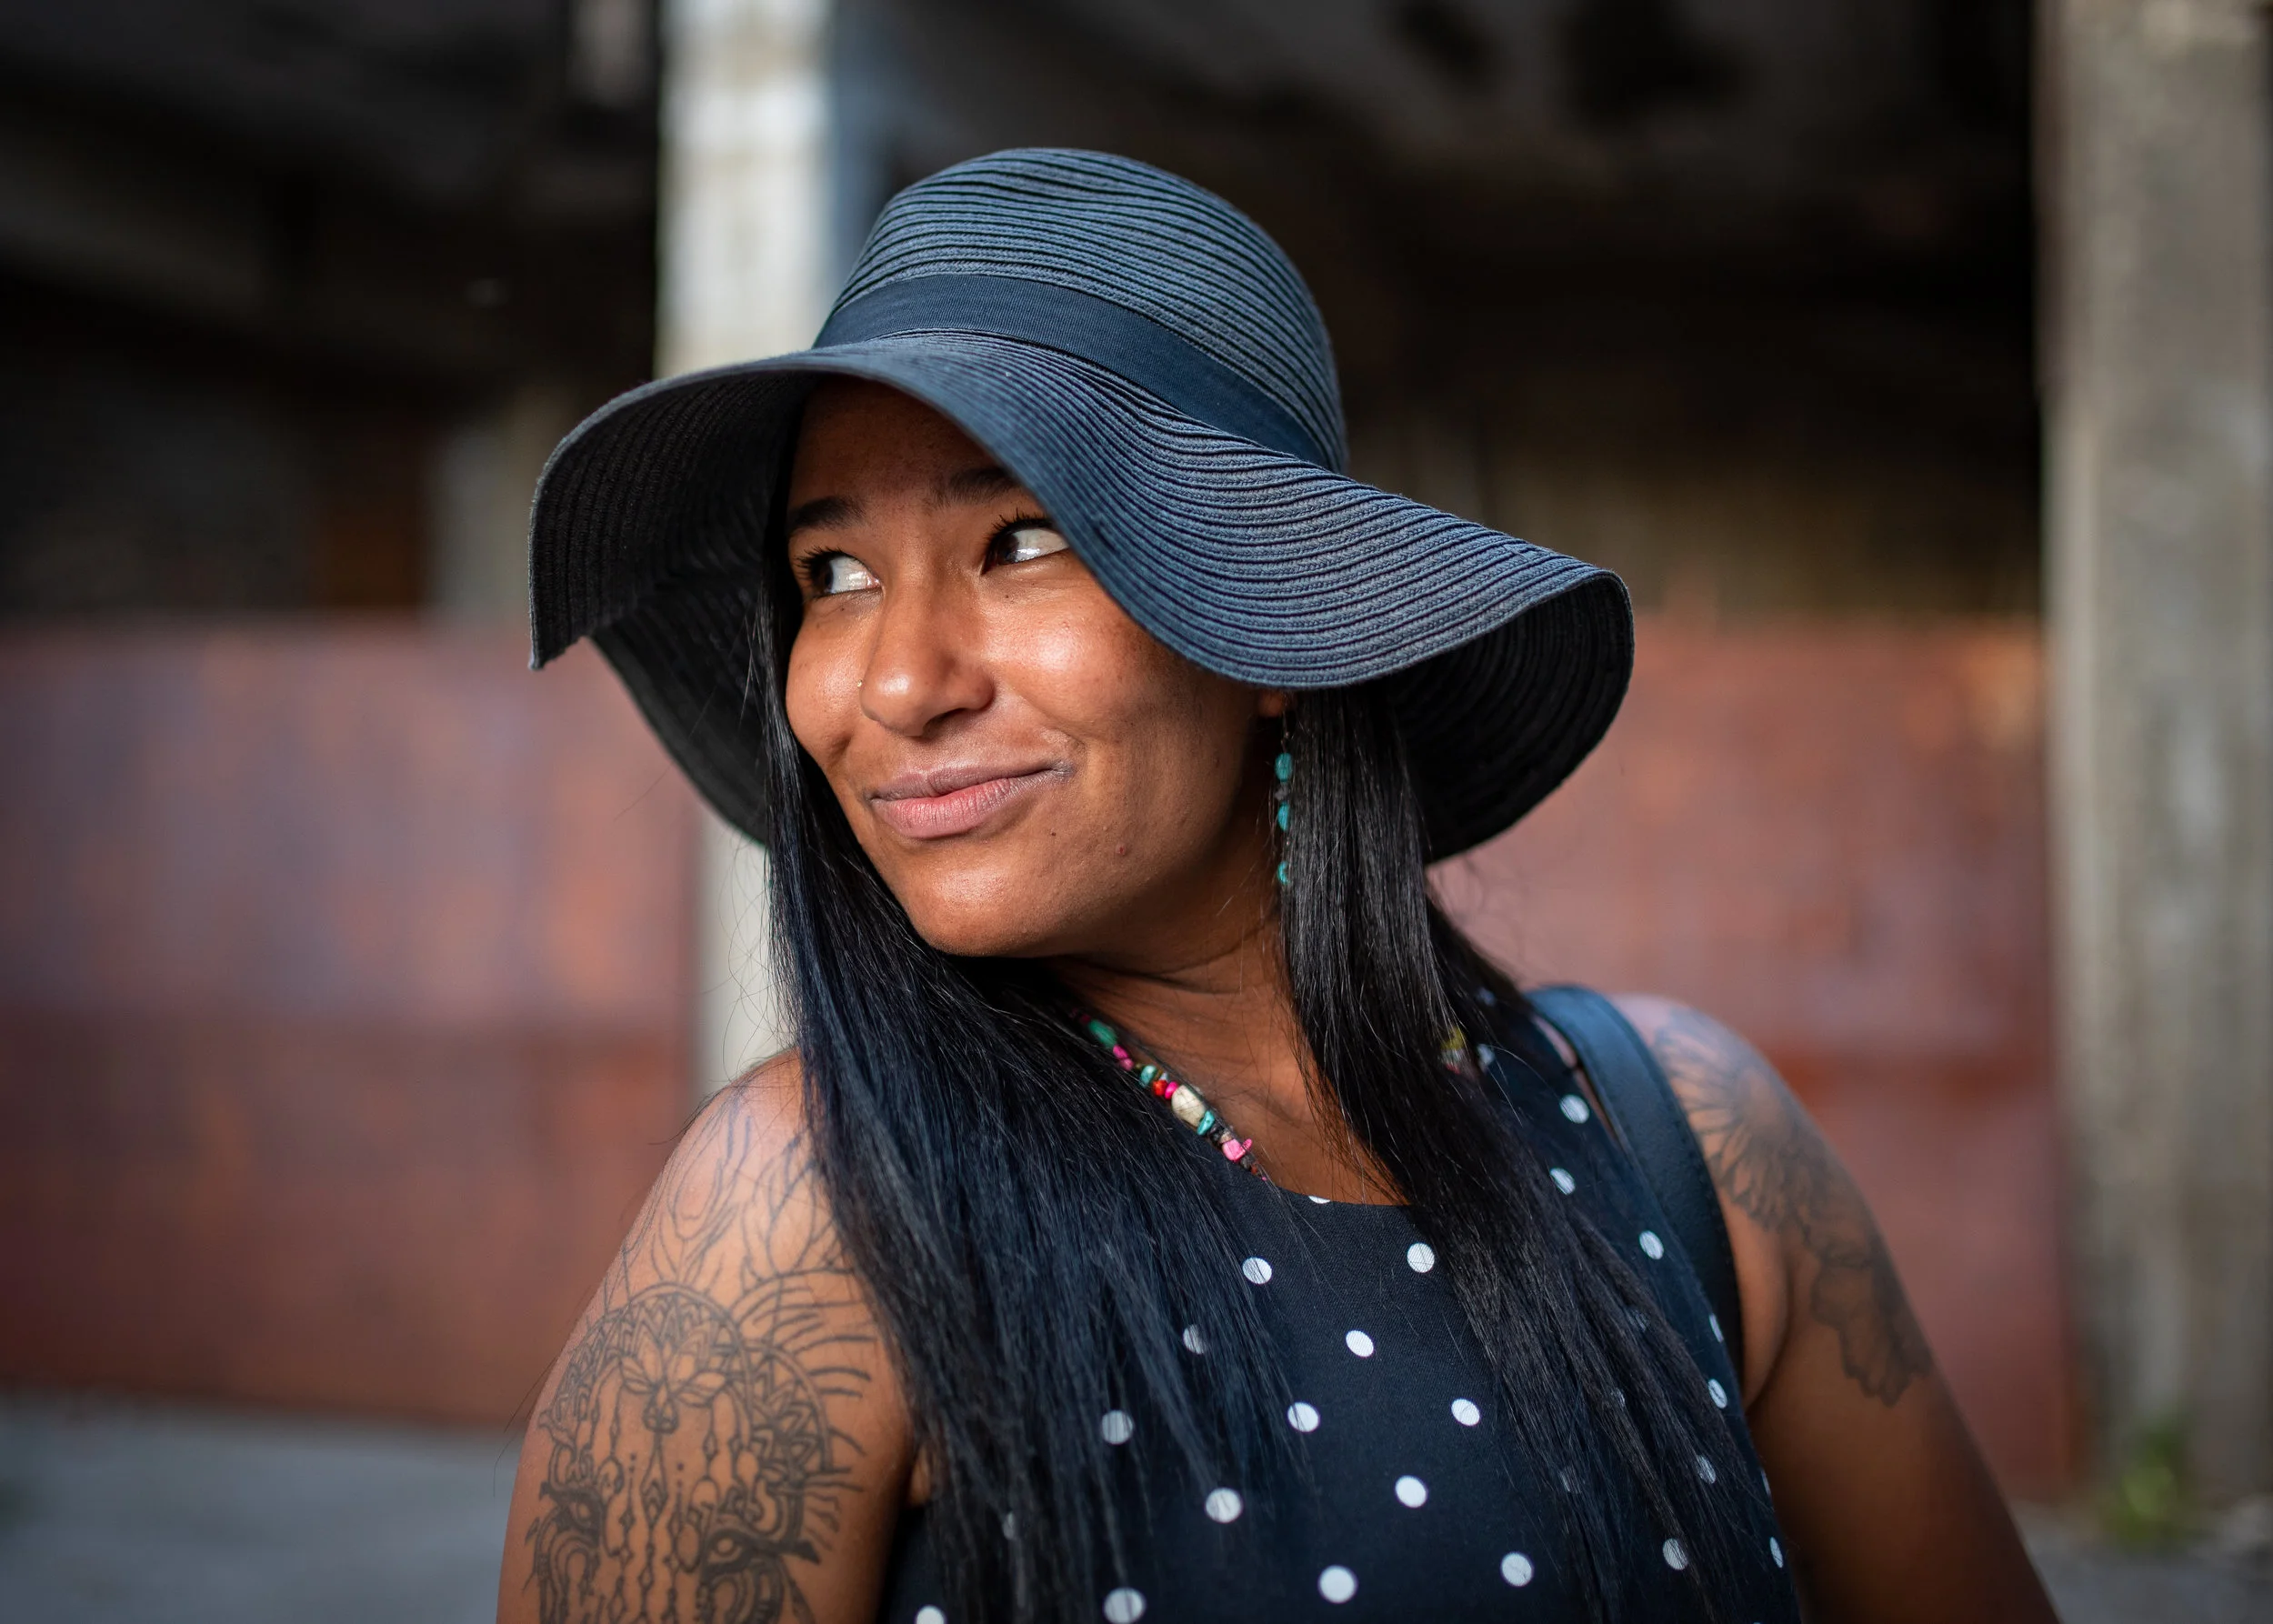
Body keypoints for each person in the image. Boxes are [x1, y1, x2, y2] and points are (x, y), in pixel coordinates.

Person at [501, 149, 2054, 1624]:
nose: (898, 681)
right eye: (830, 575)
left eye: (1021, 540)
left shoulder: (1690, 1145)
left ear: (1274, 627)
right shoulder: (808, 1205)